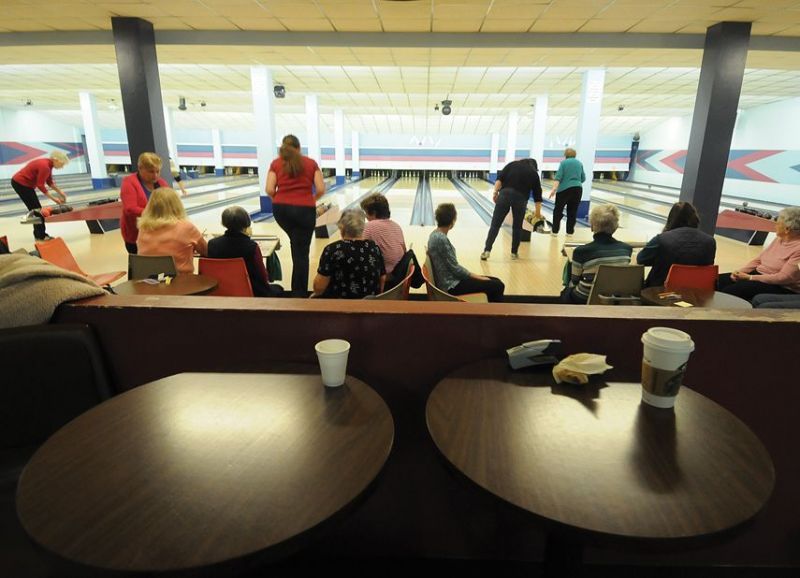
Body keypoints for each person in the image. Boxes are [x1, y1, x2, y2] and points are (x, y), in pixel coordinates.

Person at [267, 134, 326, 297]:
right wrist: (311, 199)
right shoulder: (310, 163)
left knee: (296, 244)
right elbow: (321, 189)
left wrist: (278, 200)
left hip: (281, 211)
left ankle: (296, 291)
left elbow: (270, 189)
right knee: (301, 253)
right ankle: (298, 293)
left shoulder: (276, 163)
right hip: (304, 211)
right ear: (299, 148)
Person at [719, 206, 800, 301]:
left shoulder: (798, 249)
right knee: (717, 280)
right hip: (759, 275)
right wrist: (740, 272)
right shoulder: (779, 238)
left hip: (780, 286)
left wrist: (750, 277)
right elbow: (758, 260)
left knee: (729, 291)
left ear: (787, 229)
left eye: (778, 223)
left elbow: (783, 278)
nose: (775, 225)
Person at [428, 203, 505, 302]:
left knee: (495, 281)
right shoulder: (440, 239)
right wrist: (478, 277)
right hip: (452, 286)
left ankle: (490, 313)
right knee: (498, 285)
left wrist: (479, 278)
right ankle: (495, 315)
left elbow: (452, 267)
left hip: (451, 280)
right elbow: (456, 269)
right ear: (453, 221)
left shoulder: (435, 234)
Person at [562, 204, 632, 304]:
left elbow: (575, 280)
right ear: (615, 227)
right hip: (614, 298)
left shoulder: (581, 251)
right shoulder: (626, 249)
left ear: (592, 226)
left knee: (565, 292)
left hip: (585, 297)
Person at [207, 206, 283, 297]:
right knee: (278, 289)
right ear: (246, 223)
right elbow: (263, 275)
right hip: (251, 290)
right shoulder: (252, 246)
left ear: (224, 222)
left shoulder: (212, 244)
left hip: (221, 289)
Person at [637, 202, 716, 287]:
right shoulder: (710, 241)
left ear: (671, 219)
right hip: (697, 293)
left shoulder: (661, 239)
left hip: (661, 292)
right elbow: (707, 266)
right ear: (695, 218)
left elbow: (641, 259)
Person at [312, 208, 385, 299]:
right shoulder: (374, 248)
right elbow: (382, 278)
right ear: (362, 228)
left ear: (342, 228)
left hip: (339, 307)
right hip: (369, 305)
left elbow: (319, 288)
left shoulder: (332, 250)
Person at [481, 158, 542, 261]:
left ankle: (487, 251)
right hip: (521, 199)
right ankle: (514, 253)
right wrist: (538, 213)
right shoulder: (533, 173)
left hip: (504, 194)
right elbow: (538, 196)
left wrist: (495, 193)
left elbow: (499, 180)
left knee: (495, 225)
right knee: (517, 227)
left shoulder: (512, 165)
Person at [136, 187, 207, 275]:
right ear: (177, 205)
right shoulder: (186, 227)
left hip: (147, 283)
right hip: (180, 284)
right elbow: (206, 251)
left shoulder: (143, 228)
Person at [361, 192, 422, 289]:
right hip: (399, 280)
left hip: (384, 282)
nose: (365, 216)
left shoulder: (369, 227)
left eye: (366, 212)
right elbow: (404, 250)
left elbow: (356, 249)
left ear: (374, 213)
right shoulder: (396, 226)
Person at [11, 151, 69, 241]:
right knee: (37, 210)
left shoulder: (48, 164)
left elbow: (49, 182)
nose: (62, 167)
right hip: (21, 184)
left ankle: (40, 234)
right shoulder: (45, 166)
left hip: (23, 184)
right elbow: (40, 185)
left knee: (36, 210)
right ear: (56, 160)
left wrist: (60, 192)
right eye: (62, 164)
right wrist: (54, 199)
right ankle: (40, 236)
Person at [121, 152, 168, 254]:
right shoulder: (129, 182)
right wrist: (155, 215)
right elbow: (130, 209)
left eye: (158, 171)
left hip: (159, 234)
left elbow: (171, 204)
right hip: (136, 235)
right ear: (140, 168)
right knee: (140, 266)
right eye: (151, 172)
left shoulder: (161, 183)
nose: (155, 175)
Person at [548, 147, 586, 236]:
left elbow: (558, 177)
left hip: (564, 190)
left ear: (565, 155)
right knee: (572, 211)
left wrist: (554, 189)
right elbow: (583, 178)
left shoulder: (563, 163)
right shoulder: (579, 163)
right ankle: (570, 232)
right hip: (577, 189)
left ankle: (555, 231)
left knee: (558, 210)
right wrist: (575, 182)